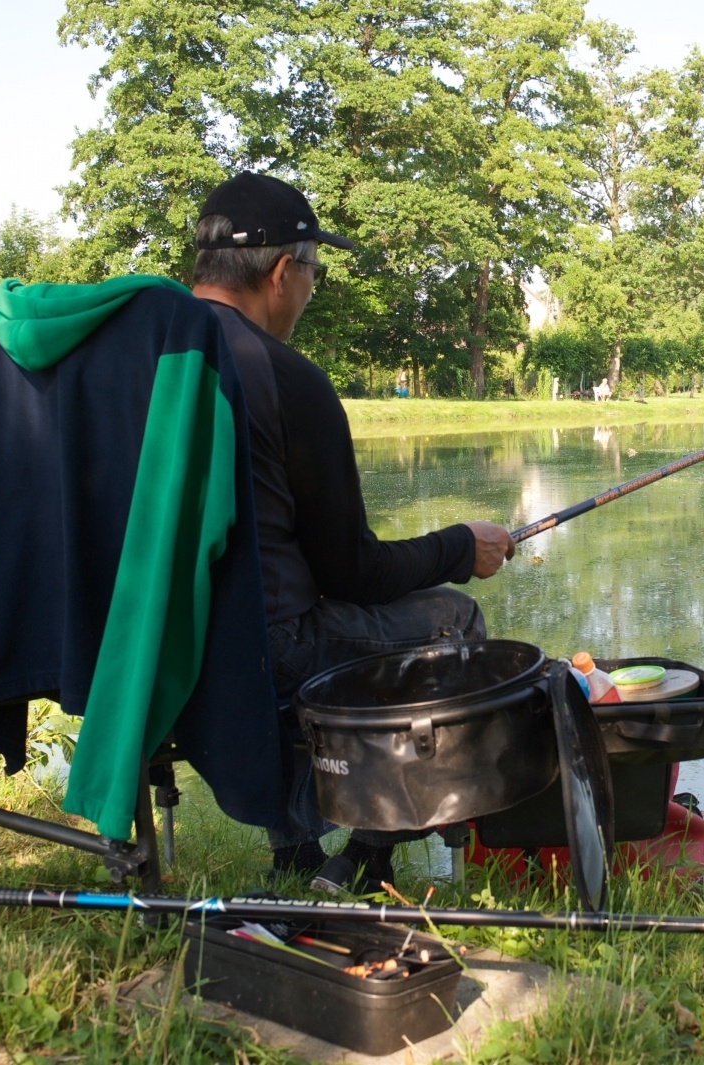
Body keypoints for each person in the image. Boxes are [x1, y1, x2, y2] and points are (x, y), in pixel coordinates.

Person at [188, 172, 516, 890]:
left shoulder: (142, 359)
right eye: (314, 271)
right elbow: (351, 573)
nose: (311, 290)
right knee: (454, 619)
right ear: (282, 272)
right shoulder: (285, 378)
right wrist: (462, 546)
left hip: (160, 645)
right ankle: (370, 847)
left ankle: (295, 850)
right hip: (262, 650)